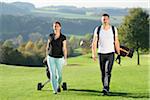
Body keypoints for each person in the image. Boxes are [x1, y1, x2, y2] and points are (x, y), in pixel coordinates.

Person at [92, 14, 120, 95]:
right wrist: (93, 54)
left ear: (109, 20)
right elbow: (94, 42)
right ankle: (104, 87)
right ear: (102, 20)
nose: (105, 20)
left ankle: (106, 88)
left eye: (106, 19)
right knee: (103, 72)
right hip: (101, 53)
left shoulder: (113, 29)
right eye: (103, 19)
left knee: (108, 71)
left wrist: (118, 52)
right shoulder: (98, 29)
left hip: (110, 53)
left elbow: (116, 41)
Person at [46, 21, 67, 94]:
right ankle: (55, 90)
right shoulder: (50, 36)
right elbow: (47, 47)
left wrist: (65, 59)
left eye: (57, 26)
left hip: (59, 58)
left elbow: (64, 48)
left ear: (60, 27)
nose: (56, 27)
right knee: (52, 74)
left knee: (60, 75)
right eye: (54, 26)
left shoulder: (63, 37)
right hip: (50, 57)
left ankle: (58, 85)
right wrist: (46, 56)